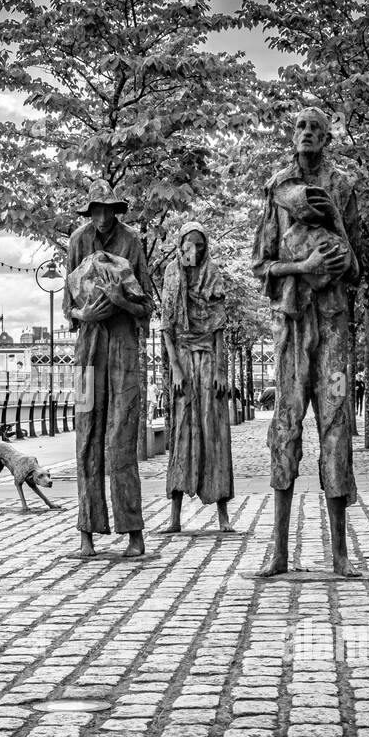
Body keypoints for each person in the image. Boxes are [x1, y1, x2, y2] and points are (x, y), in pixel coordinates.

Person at [252, 107, 362, 577]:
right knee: (286, 423)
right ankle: (278, 552)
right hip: (293, 326)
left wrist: (334, 227)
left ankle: (340, 555)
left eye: (316, 128)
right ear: (292, 135)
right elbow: (262, 266)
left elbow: (358, 268)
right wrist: (304, 266)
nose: (307, 134)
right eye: (300, 127)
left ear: (327, 138)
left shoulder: (343, 187)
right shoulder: (277, 187)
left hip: (334, 324)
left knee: (336, 424)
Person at [64, 179, 154, 558]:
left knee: (121, 438)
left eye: (107, 209)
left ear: (116, 210)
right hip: (87, 353)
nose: (101, 217)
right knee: (86, 438)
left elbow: (147, 305)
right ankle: (87, 532)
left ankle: (133, 532)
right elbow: (66, 304)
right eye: (95, 210)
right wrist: (82, 313)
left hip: (123, 351)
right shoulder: (77, 241)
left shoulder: (131, 241)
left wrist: (121, 300)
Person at [160, 221, 234, 533]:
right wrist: (175, 368)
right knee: (181, 433)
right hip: (183, 362)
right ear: (180, 245)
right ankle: (175, 515)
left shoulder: (212, 273)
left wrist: (220, 369)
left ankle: (222, 515)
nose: (196, 250)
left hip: (208, 360)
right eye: (190, 244)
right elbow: (167, 327)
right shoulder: (171, 274)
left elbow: (218, 326)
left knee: (213, 430)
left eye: (200, 245)